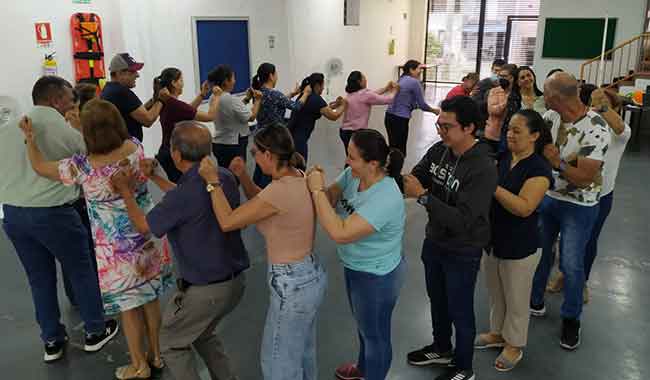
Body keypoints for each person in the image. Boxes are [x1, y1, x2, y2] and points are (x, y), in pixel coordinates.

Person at [20, 98, 174, 379]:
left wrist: (30, 140)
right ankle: (156, 355)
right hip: (146, 234)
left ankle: (138, 366)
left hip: (116, 249)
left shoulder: (83, 167)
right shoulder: (135, 149)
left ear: (87, 132)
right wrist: (82, 124)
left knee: (129, 308)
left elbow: (40, 167)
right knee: (150, 299)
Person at [111, 121, 249, 380]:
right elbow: (189, 198)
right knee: (204, 334)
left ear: (175, 154)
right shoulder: (222, 178)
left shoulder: (181, 197)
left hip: (206, 290)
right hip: (234, 282)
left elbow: (144, 226)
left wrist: (126, 192)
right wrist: (155, 177)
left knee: (172, 343)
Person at [0, 76, 118, 363]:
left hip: (13, 214)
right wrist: (78, 127)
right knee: (80, 269)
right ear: (55, 100)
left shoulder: (9, 130)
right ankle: (95, 330)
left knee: (38, 279)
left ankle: (51, 340)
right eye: (70, 98)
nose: (74, 102)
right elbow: (90, 156)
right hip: (53, 212)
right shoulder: (56, 124)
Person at [198, 123, 327, 380]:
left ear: (268, 155)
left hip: (291, 285)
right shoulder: (297, 176)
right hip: (309, 276)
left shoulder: (279, 190)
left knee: (278, 364)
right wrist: (244, 175)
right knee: (302, 354)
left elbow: (228, 220)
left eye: (255, 152)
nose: (252, 155)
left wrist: (213, 183)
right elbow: (263, 203)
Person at [403, 96, 497, 380]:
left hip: (463, 248)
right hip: (435, 241)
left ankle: (463, 366)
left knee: (460, 308)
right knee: (438, 300)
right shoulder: (441, 150)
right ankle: (441, 347)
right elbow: (416, 176)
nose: (440, 130)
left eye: (447, 126)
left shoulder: (482, 167)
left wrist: (422, 196)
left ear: (469, 128)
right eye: (439, 124)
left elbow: (464, 220)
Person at [306, 129, 406, 380]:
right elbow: (331, 197)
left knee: (375, 336)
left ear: (372, 163)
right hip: (356, 266)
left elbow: (340, 232)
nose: (346, 161)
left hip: (376, 276)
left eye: (351, 157)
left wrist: (317, 192)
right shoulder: (353, 174)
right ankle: (363, 370)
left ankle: (373, 374)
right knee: (365, 329)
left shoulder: (386, 196)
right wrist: (320, 187)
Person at [530, 72, 610, 351]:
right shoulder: (552, 118)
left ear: (557, 98)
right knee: (540, 252)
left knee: (572, 265)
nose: (544, 99)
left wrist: (557, 163)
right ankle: (535, 299)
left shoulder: (597, 127)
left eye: (547, 95)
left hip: (580, 205)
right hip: (549, 197)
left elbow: (585, 178)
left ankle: (571, 318)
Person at [474, 109, 553, 372]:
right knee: (497, 294)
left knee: (517, 298)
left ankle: (515, 344)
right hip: (494, 240)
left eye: (517, 130)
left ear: (535, 136)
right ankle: (497, 333)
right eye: (509, 129)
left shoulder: (539, 170)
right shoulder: (506, 157)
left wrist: (492, 186)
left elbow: (524, 207)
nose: (510, 134)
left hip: (520, 246)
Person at [546, 87, 631, 303]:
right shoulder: (584, 126)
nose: (597, 108)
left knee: (589, 241)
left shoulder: (620, 132)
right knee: (567, 242)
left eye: (605, 104)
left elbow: (619, 126)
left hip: (600, 197)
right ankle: (565, 275)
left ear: (614, 108)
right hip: (571, 193)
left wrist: (600, 105)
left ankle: (581, 282)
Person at [153, 67, 221, 182]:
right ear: (174, 83)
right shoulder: (174, 104)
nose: (183, 83)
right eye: (181, 80)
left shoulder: (169, 102)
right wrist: (217, 97)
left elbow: (188, 111)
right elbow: (210, 116)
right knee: (184, 187)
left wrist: (202, 95)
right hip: (173, 153)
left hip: (168, 150)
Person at [251, 62, 311, 187]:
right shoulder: (274, 94)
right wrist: (305, 93)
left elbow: (277, 103)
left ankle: (255, 191)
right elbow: (296, 106)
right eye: (276, 73)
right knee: (269, 168)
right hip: (272, 138)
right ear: (271, 76)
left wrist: (293, 94)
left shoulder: (259, 92)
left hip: (259, 135)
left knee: (260, 165)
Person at [208, 64, 262, 168]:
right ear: (226, 81)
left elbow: (232, 110)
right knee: (235, 177)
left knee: (225, 175)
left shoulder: (213, 97)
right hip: (233, 145)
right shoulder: (231, 99)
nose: (234, 81)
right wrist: (258, 101)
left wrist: (246, 99)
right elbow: (251, 117)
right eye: (233, 78)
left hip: (219, 143)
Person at [101, 53, 163, 142]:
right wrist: (161, 100)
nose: (137, 75)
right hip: (126, 150)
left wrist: (154, 99)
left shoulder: (110, 89)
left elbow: (134, 113)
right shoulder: (121, 92)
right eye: (132, 72)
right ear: (119, 73)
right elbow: (148, 120)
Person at [385, 59, 440, 156]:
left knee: (393, 147)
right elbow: (422, 104)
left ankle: (390, 168)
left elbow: (408, 101)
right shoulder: (414, 82)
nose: (421, 72)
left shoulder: (401, 79)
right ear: (411, 69)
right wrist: (434, 111)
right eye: (419, 69)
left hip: (389, 116)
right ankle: (396, 170)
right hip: (400, 119)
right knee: (400, 150)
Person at [288, 73, 347, 162]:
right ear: (317, 85)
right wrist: (343, 105)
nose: (323, 88)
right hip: (299, 142)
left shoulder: (305, 96)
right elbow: (333, 116)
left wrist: (336, 105)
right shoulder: (316, 99)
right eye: (323, 85)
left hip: (290, 138)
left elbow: (322, 109)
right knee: (299, 170)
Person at [340, 71, 398, 155]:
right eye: (364, 78)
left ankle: (349, 167)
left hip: (344, 131)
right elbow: (388, 99)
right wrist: (395, 91)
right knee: (356, 158)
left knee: (350, 156)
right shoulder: (366, 95)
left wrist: (386, 88)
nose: (366, 80)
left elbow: (373, 94)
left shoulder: (351, 93)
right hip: (356, 132)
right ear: (359, 82)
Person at [483, 64, 518, 153]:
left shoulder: (516, 93)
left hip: (509, 136)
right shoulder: (494, 91)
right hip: (492, 135)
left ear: (512, 78)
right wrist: (507, 101)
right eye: (500, 76)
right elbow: (493, 111)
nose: (501, 78)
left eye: (505, 76)